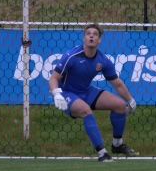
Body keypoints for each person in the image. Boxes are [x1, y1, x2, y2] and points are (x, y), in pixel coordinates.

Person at [48, 23, 138, 162]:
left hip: (85, 91)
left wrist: (131, 100)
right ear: (84, 38)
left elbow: (117, 83)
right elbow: (54, 78)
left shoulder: (103, 60)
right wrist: (56, 93)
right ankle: (102, 153)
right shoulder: (71, 56)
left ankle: (117, 145)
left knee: (120, 105)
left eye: (95, 34)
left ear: (99, 40)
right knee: (86, 110)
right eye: (88, 33)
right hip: (67, 93)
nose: (91, 36)